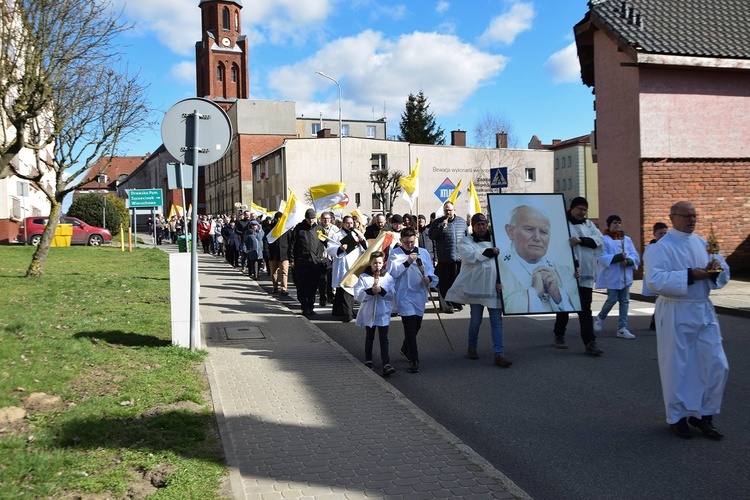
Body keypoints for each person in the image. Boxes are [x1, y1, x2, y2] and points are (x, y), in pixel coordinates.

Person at [644, 201, 729, 440]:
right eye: (687, 216)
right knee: (678, 366)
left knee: (716, 364)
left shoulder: (703, 243)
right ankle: (677, 417)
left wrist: (716, 272)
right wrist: (691, 274)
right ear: (673, 218)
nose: (692, 220)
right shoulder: (661, 247)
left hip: (702, 309)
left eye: (694, 216)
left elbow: (723, 268)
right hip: (675, 310)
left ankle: (704, 415)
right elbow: (654, 280)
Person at [446, 213, 512, 367]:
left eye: (484, 224)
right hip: (477, 287)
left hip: (494, 288)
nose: (482, 227)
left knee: (496, 322)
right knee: (476, 321)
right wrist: (488, 253)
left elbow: (505, 262)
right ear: (473, 227)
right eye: (478, 225)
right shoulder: (466, 241)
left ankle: (499, 354)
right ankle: (472, 347)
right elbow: (469, 258)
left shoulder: (497, 241)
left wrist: (502, 281)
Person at [497, 205, 579, 313]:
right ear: (510, 232)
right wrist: (534, 292)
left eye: (543, 232)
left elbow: (577, 303)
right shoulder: (498, 269)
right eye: (529, 229)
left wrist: (558, 295)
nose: (537, 238)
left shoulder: (565, 272)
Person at [552, 197, 604, 355]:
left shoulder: (589, 225)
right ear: (572, 208)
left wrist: (581, 240)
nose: (582, 212)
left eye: (585, 210)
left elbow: (600, 240)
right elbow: (558, 246)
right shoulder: (563, 224)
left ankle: (590, 342)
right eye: (580, 209)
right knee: (564, 306)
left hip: (586, 273)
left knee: (585, 309)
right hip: (568, 272)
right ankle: (559, 334)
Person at [387, 227, 439, 374]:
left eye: (412, 242)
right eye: (406, 242)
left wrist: (428, 278)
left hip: (419, 293)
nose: (410, 245)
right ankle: (414, 358)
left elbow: (429, 269)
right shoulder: (395, 254)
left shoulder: (423, 252)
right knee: (409, 326)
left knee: (417, 325)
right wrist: (408, 262)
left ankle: (405, 347)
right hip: (404, 295)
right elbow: (393, 272)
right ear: (401, 241)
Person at [594, 215, 640, 339]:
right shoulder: (604, 240)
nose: (617, 225)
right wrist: (618, 258)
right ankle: (600, 317)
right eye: (615, 223)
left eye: (619, 223)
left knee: (625, 301)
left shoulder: (627, 240)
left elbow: (634, 254)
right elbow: (601, 256)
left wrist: (629, 261)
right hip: (613, 275)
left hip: (625, 275)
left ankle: (622, 328)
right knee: (612, 299)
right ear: (609, 225)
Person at [353, 251, 397, 377]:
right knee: (370, 336)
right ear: (370, 263)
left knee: (384, 338)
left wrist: (382, 291)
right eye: (374, 263)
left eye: (379, 263)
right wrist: (369, 291)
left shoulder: (387, 277)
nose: (377, 265)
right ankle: (368, 359)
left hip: (382, 311)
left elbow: (392, 294)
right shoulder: (364, 276)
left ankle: (386, 363)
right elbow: (358, 293)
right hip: (369, 310)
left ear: (383, 263)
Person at [428, 201, 468, 313]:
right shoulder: (437, 222)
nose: (448, 212)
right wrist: (441, 227)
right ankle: (446, 306)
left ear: (454, 210)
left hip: (459, 258)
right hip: (444, 258)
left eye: (450, 210)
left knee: (457, 283)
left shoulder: (461, 222)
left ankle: (457, 302)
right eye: (446, 210)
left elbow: (466, 238)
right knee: (445, 284)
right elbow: (431, 236)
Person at [327, 215, 367, 322]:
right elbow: (330, 248)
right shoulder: (336, 235)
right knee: (343, 289)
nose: (350, 225)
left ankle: (339, 311)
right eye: (347, 223)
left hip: (354, 264)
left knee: (348, 289)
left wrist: (361, 240)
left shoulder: (357, 233)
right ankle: (347, 313)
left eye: (351, 223)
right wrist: (339, 248)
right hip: (342, 264)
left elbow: (366, 246)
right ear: (343, 223)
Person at [291, 208, 327, 317]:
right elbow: (292, 246)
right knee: (302, 286)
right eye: (309, 218)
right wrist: (292, 260)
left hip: (315, 263)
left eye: (313, 218)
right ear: (305, 218)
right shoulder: (299, 229)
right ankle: (304, 306)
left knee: (313, 286)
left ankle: (311, 306)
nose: (311, 220)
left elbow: (326, 243)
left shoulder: (319, 229)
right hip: (301, 262)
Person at [642, 222, 669, 329]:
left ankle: (657, 319)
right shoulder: (652, 247)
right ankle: (656, 320)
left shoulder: (669, 246)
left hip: (667, 276)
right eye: (660, 233)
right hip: (658, 276)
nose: (663, 236)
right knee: (661, 300)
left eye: (665, 233)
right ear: (654, 234)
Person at [267, 212, 292, 296]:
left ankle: (284, 288)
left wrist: (290, 253)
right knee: (273, 272)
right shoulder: (270, 228)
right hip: (273, 254)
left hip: (284, 254)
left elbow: (290, 241)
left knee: (284, 272)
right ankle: (275, 286)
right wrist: (266, 252)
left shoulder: (286, 229)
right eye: (279, 218)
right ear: (276, 219)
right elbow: (266, 241)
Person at [317, 211, 337, 308]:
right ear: (321, 219)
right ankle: (322, 297)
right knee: (322, 279)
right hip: (321, 256)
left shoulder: (335, 229)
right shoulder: (317, 229)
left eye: (328, 218)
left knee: (330, 278)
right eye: (324, 218)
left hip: (331, 257)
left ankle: (330, 295)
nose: (326, 220)